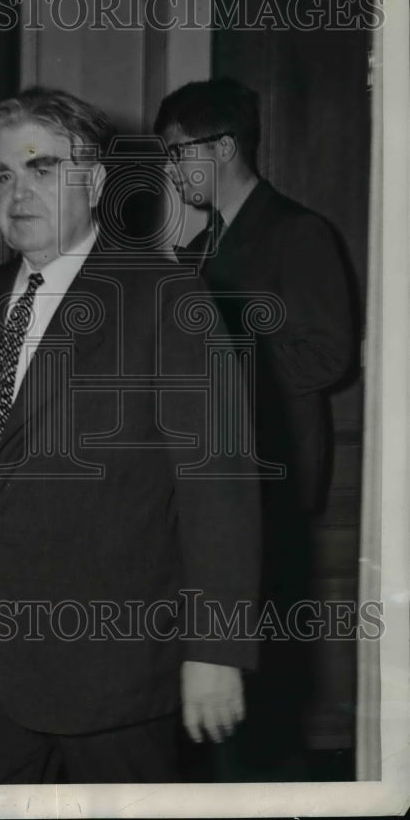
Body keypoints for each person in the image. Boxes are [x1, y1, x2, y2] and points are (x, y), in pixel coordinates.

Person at [0, 86, 260, 784]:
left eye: (43, 168)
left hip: (112, 676)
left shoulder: (167, 299)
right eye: (3, 173)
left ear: (95, 181)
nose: (18, 193)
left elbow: (218, 487)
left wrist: (217, 652)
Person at [154, 76, 355, 778]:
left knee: (259, 695)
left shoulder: (297, 232)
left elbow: (328, 354)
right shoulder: (206, 245)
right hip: (222, 490)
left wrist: (222, 367)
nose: (172, 170)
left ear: (224, 147)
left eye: (177, 153)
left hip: (272, 486)